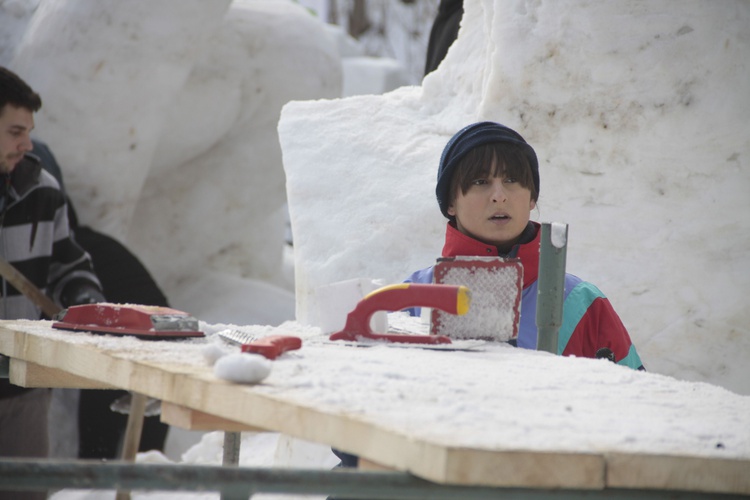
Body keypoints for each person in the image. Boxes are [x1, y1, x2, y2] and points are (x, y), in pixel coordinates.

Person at [332, 121, 644, 471]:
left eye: (512, 180)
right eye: (481, 182)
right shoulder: (409, 299)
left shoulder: (584, 304)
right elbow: (354, 430)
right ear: (450, 201)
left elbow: (638, 421)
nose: (499, 195)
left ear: (532, 197)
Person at [0, 66, 105, 500]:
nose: (26, 142)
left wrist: (85, 299)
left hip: (21, 388)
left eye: (28, 131)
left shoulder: (42, 189)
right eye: (14, 131)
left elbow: (68, 264)